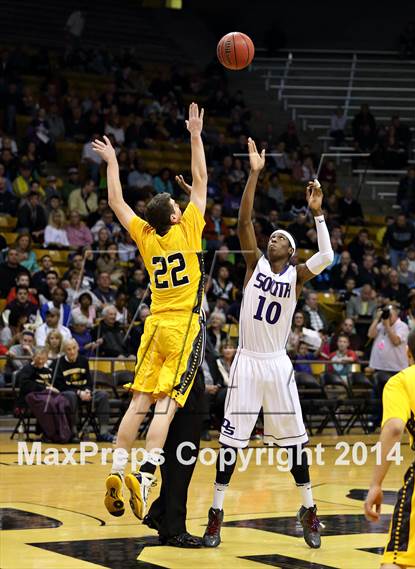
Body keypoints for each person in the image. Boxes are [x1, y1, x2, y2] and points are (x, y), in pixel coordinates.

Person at [203, 138, 334, 549]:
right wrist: (255, 174)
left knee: (295, 443)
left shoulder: (296, 275)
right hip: (246, 363)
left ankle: (309, 510)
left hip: (277, 365)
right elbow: (244, 222)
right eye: (272, 236)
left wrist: (318, 216)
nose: (273, 239)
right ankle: (215, 513)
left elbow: (328, 256)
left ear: (291, 252)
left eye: (280, 238)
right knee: (230, 444)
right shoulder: (254, 263)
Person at [92, 103, 208, 542]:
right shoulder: (188, 229)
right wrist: (194, 134)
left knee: (137, 404)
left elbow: (115, 201)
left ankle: (117, 469)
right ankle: (143, 475)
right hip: (181, 326)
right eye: (178, 206)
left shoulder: (145, 235)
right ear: (175, 217)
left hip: (153, 324)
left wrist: (114, 160)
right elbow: (201, 180)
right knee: (166, 407)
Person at [364, 324, 415, 569]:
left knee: (397, 559)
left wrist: (376, 484)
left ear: (408, 353)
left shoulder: (402, 380)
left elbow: (394, 428)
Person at [54, 339, 113, 442]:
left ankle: (104, 432)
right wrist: (78, 392)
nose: (72, 352)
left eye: (74, 348)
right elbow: (60, 386)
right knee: (71, 396)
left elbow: (89, 381)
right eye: (68, 349)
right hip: (69, 394)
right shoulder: (58, 363)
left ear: (77, 348)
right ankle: (74, 431)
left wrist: (87, 391)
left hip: (83, 393)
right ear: (64, 350)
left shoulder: (83, 361)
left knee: (102, 395)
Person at [368, 305, 410, 429]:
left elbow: (396, 341)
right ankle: (375, 422)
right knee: (377, 397)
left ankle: (394, 423)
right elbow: (370, 334)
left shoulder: (402, 326)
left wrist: (387, 325)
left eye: (389, 315)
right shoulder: (381, 325)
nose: (387, 317)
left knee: (393, 399)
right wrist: (377, 319)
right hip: (379, 368)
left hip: (395, 370)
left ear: (396, 315)